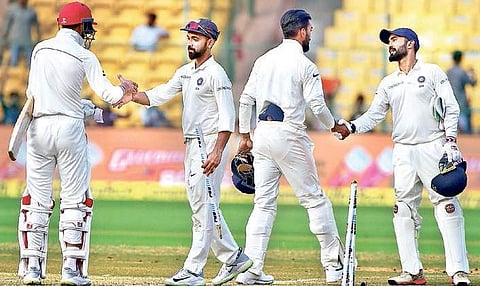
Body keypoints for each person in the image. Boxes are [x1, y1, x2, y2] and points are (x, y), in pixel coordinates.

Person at [113, 18, 253, 286]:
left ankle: (194, 269)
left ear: (210, 42)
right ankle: (233, 256)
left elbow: (227, 116)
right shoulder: (186, 72)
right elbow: (160, 94)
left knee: (203, 207)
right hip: (192, 144)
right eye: (189, 38)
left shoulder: (217, 74)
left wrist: (217, 151)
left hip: (210, 143)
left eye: (196, 39)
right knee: (203, 206)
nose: (190, 43)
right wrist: (135, 95)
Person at [336, 28, 471, 286]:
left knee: (446, 204)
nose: (390, 44)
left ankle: (459, 271)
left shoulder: (432, 73)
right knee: (402, 210)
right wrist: (351, 127)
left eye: (394, 40)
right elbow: (374, 114)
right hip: (402, 150)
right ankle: (412, 271)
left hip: (432, 145)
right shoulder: (389, 82)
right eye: (389, 41)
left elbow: (451, 107)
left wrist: (450, 140)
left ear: (410, 44)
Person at [17, 2, 137, 285]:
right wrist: (126, 89)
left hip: (38, 127)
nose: (89, 33)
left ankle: (32, 267)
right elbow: (109, 94)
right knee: (75, 200)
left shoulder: (39, 50)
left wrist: (85, 108)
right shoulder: (85, 56)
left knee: (36, 200)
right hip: (69, 130)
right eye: (88, 27)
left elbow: (34, 94)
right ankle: (71, 269)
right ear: (82, 26)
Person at [235, 9, 346, 284]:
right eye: (310, 30)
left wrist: (245, 136)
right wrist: (334, 126)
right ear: (303, 31)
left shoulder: (264, 60)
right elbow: (318, 106)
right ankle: (333, 266)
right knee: (314, 199)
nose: (311, 34)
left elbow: (246, 100)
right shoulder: (305, 65)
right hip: (289, 135)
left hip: (262, 135)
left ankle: (251, 270)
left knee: (263, 205)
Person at [2, 0, 41, 67]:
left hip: (27, 41)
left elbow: (36, 25)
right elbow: (7, 24)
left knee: (30, 62)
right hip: (15, 41)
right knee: (14, 62)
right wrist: (4, 35)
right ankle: (13, 77)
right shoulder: (12, 10)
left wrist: (38, 36)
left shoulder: (31, 12)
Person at [446, 50, 477, 134]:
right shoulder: (462, 72)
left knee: (452, 130)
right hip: (461, 101)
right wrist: (473, 73)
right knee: (465, 130)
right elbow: (473, 83)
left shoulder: (448, 72)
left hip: (450, 100)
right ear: (461, 59)